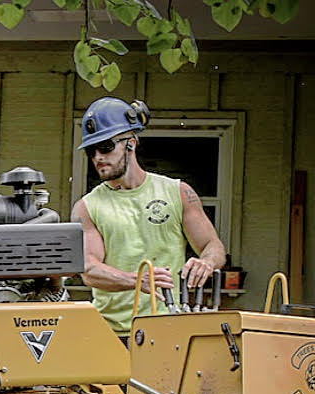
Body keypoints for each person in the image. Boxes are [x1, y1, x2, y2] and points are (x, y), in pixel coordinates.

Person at [71, 97, 227, 338]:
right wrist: (136, 280)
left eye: (105, 147)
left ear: (131, 143)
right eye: (91, 151)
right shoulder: (87, 206)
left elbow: (212, 246)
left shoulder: (178, 192)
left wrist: (206, 262)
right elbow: (89, 269)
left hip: (168, 327)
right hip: (111, 332)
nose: (98, 157)